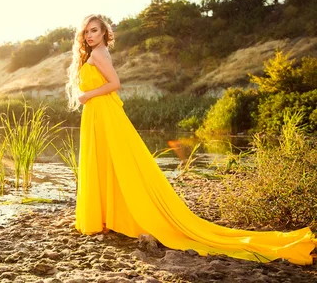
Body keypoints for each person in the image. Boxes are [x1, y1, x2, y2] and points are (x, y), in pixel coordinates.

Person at [65, 14, 316, 265]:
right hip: (99, 114)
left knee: (109, 162)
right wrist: (88, 96)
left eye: (94, 30)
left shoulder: (98, 54)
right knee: (109, 162)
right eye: (86, 31)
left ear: (103, 32)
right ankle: (108, 216)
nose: (89, 35)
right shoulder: (97, 52)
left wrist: (87, 95)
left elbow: (115, 83)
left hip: (103, 112)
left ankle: (107, 217)